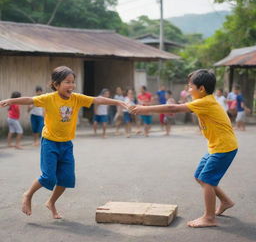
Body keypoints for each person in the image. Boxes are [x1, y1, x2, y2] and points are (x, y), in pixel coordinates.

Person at [0, 66, 127, 219]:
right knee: (48, 178)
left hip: (66, 144)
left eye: (73, 82)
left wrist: (118, 103)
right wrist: (10, 100)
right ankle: (28, 195)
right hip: (50, 142)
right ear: (56, 84)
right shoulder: (49, 98)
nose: (71, 86)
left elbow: (97, 99)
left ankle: (51, 202)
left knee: (66, 178)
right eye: (67, 82)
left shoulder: (77, 98)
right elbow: (29, 99)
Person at [130, 69, 238, 228]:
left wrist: (144, 109)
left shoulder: (206, 101)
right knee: (200, 177)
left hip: (224, 147)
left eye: (190, 87)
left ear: (201, 89)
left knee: (207, 179)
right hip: (216, 147)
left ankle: (209, 218)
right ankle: (226, 201)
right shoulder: (204, 101)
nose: (188, 90)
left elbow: (172, 108)